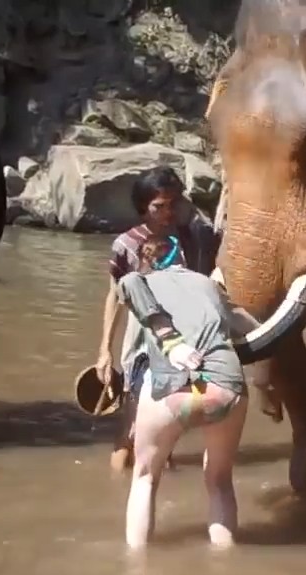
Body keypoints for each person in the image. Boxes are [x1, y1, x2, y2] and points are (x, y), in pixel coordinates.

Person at [114, 238, 262, 549]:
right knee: (220, 481)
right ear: (181, 255)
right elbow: (252, 328)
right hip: (226, 387)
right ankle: (224, 562)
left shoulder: (141, 284)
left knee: (144, 478)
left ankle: (136, 569)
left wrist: (167, 340)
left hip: (170, 392)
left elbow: (125, 289)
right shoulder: (209, 285)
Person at [96, 166, 221, 471]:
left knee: (167, 428)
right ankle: (120, 485)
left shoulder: (189, 239)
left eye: (173, 204)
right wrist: (104, 351)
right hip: (141, 341)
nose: (167, 213)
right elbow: (115, 297)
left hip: (179, 339)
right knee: (130, 428)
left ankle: (155, 484)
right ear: (143, 207)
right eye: (158, 206)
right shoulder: (127, 244)